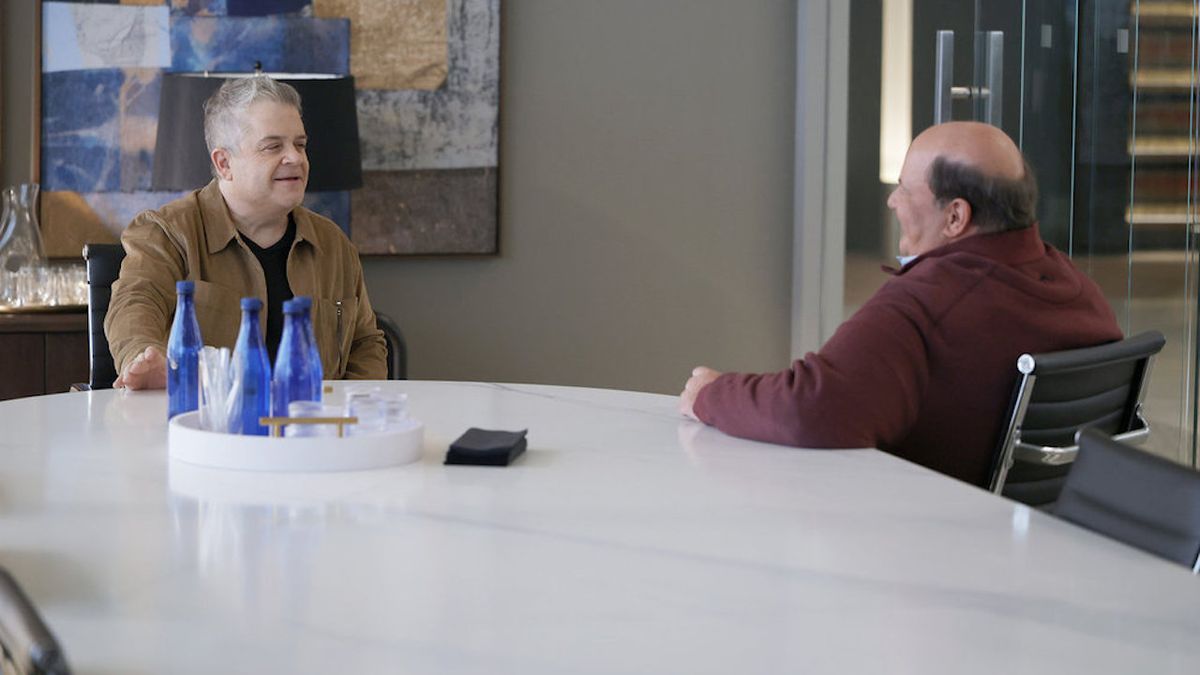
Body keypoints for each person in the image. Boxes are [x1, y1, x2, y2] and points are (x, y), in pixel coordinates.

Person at [679, 121, 1123, 487]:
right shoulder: (1080, 292)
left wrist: (712, 395)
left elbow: (811, 408)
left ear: (955, 217)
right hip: (1038, 537)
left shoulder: (931, 301)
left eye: (905, 190)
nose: (892, 202)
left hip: (928, 541)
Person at [107, 75, 387, 388]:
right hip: (205, 427)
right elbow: (134, 308)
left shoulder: (332, 243)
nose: (295, 157)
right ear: (224, 163)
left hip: (313, 428)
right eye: (273, 146)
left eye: (300, 144)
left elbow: (365, 344)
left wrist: (353, 413)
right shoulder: (166, 233)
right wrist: (147, 361)